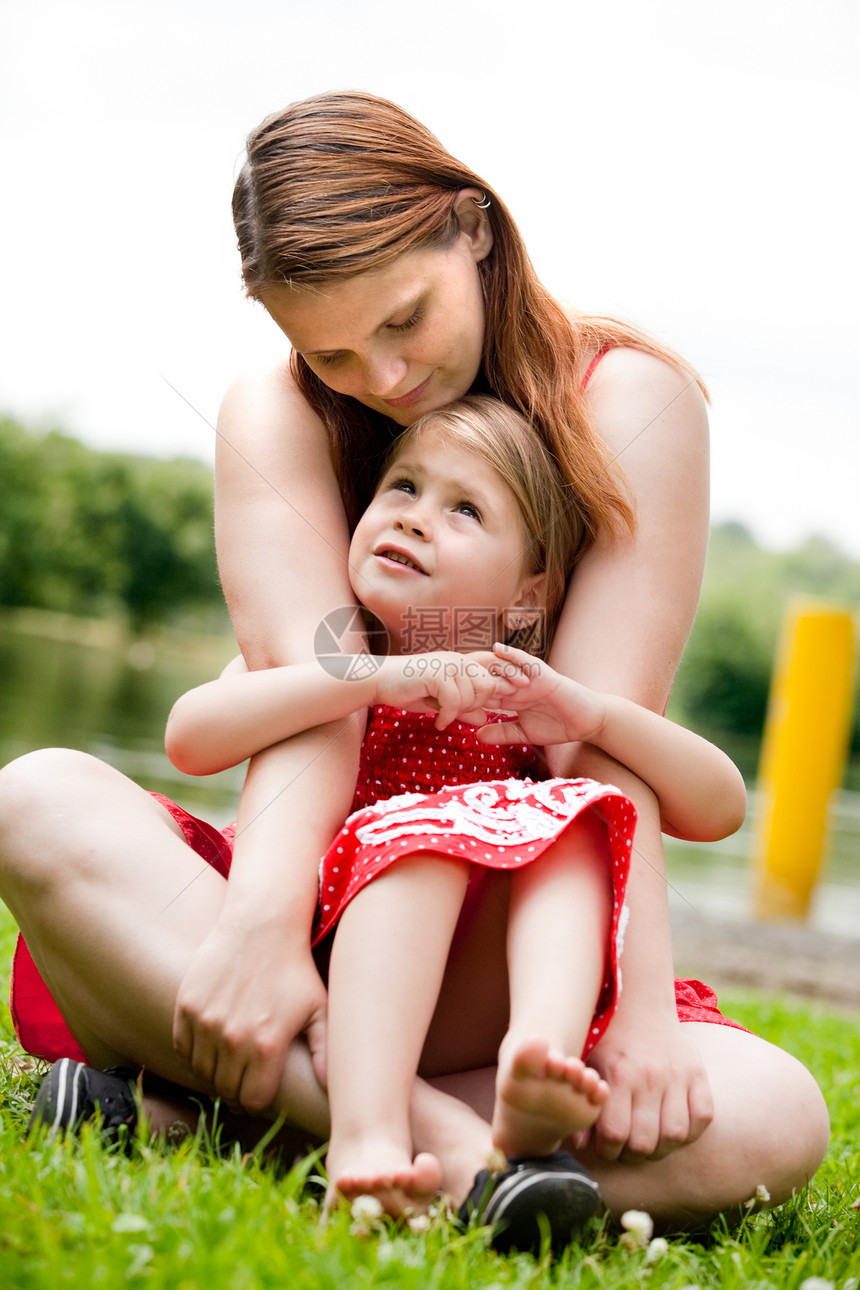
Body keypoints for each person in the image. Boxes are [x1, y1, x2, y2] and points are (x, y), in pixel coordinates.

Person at [0, 89, 828, 1235]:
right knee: (34, 799)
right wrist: (263, 929)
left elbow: (593, 737)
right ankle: (459, 1158)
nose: (381, 379)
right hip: (326, 903)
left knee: (773, 1115)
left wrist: (636, 1012)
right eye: (330, 351)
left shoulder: (629, 398)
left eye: (403, 321)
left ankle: (219, 1114)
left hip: (505, 944)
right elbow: (317, 689)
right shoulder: (279, 407)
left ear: (470, 227)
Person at [163, 396, 747, 1221]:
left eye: (464, 508)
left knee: (581, 814)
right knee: (429, 837)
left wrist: (597, 717)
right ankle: (363, 1136)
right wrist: (379, 681)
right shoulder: (332, 656)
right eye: (401, 487)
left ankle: (533, 1061)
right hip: (329, 965)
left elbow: (720, 804)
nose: (416, 518)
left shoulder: (525, 697)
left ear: (527, 596)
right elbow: (191, 736)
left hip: (466, 991)